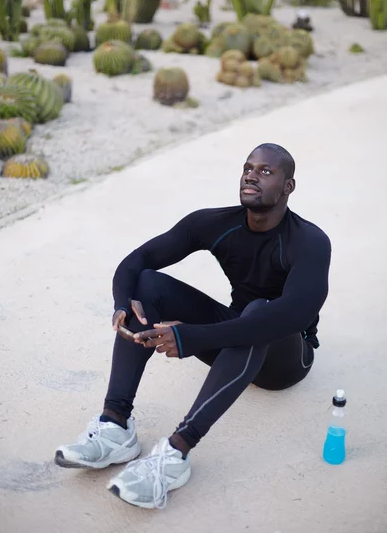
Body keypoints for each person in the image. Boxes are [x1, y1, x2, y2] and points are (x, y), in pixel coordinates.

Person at [54, 143, 331, 510]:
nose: (251, 175)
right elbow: (137, 261)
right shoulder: (214, 223)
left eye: (266, 171)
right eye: (248, 167)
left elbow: (290, 316)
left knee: (259, 314)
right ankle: (115, 423)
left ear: (288, 187)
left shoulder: (310, 242)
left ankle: (175, 453)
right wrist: (123, 302)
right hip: (236, 336)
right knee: (149, 284)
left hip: (285, 361)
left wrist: (190, 337)